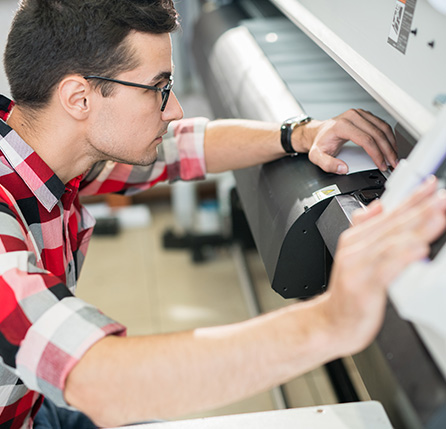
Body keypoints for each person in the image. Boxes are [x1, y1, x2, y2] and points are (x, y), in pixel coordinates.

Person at [0, 0, 444, 428]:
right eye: (159, 89)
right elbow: (103, 382)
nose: (174, 110)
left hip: (32, 404)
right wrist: (333, 319)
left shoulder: (49, 151)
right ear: (79, 99)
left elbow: (183, 149)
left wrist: (302, 134)